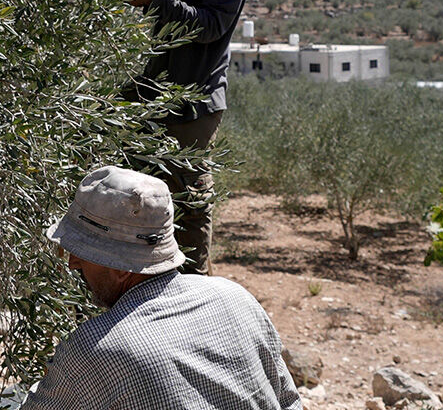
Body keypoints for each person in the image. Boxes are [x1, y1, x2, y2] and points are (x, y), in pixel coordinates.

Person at [21, 166, 301, 410]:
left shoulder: (96, 348)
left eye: (82, 253)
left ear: (119, 266)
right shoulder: (235, 297)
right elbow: (289, 401)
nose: (73, 263)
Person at [125, 0, 250, 274]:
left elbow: (212, 26)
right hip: (146, 91)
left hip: (195, 101)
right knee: (136, 190)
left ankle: (194, 286)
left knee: (189, 198)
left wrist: (156, 0)